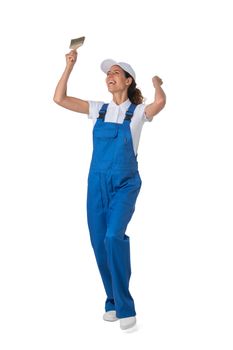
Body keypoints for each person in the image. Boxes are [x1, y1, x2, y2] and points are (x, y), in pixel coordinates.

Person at [53, 49, 166, 330]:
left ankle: (126, 306)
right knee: (99, 242)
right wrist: (69, 66)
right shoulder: (98, 109)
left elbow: (160, 102)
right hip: (97, 184)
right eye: (107, 74)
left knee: (114, 236)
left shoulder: (138, 113)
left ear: (128, 80)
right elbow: (59, 99)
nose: (109, 77)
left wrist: (156, 83)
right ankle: (113, 301)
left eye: (115, 72)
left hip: (125, 183)